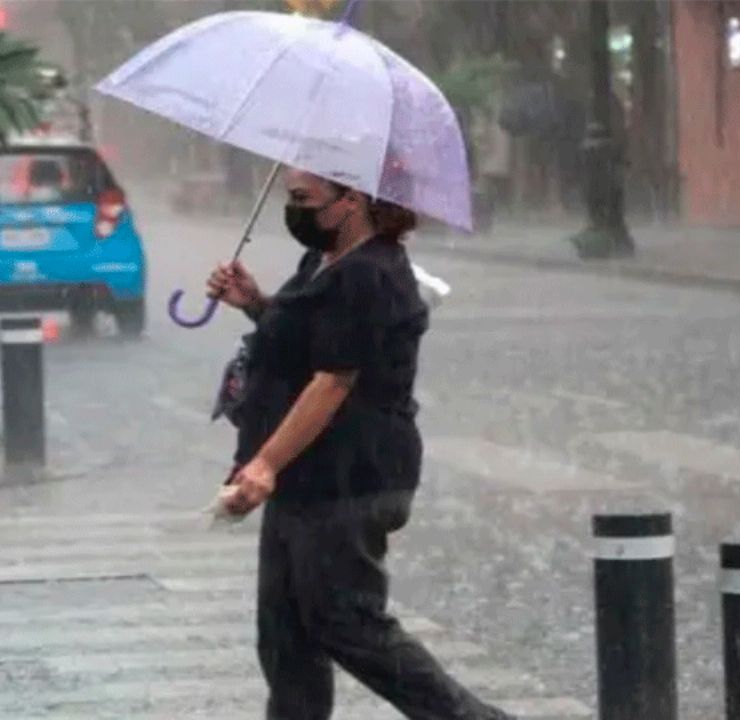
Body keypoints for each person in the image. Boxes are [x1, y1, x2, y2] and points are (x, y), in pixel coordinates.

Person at [206, 168, 513, 720]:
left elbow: (333, 380)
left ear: (351, 200)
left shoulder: (369, 274)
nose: (294, 209)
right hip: (307, 473)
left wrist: (265, 464)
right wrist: (255, 303)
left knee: (348, 623)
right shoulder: (324, 260)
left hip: (351, 476)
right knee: (285, 632)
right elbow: (306, 342)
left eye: (303, 198)